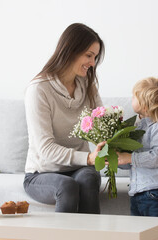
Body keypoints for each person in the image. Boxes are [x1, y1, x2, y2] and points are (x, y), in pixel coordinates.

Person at [23, 23, 106, 214]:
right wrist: (88, 157)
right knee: (66, 186)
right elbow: (45, 149)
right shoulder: (39, 89)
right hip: (41, 174)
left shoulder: (87, 85)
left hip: (78, 168)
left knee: (88, 179)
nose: (92, 63)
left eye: (94, 57)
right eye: (88, 55)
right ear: (70, 51)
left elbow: (102, 122)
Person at [117, 77, 158, 217]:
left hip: (156, 193)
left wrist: (129, 158)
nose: (131, 99)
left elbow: (157, 158)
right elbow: (135, 161)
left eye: (134, 96)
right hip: (138, 192)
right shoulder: (139, 127)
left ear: (146, 104)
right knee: (139, 233)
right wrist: (119, 160)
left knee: (155, 233)